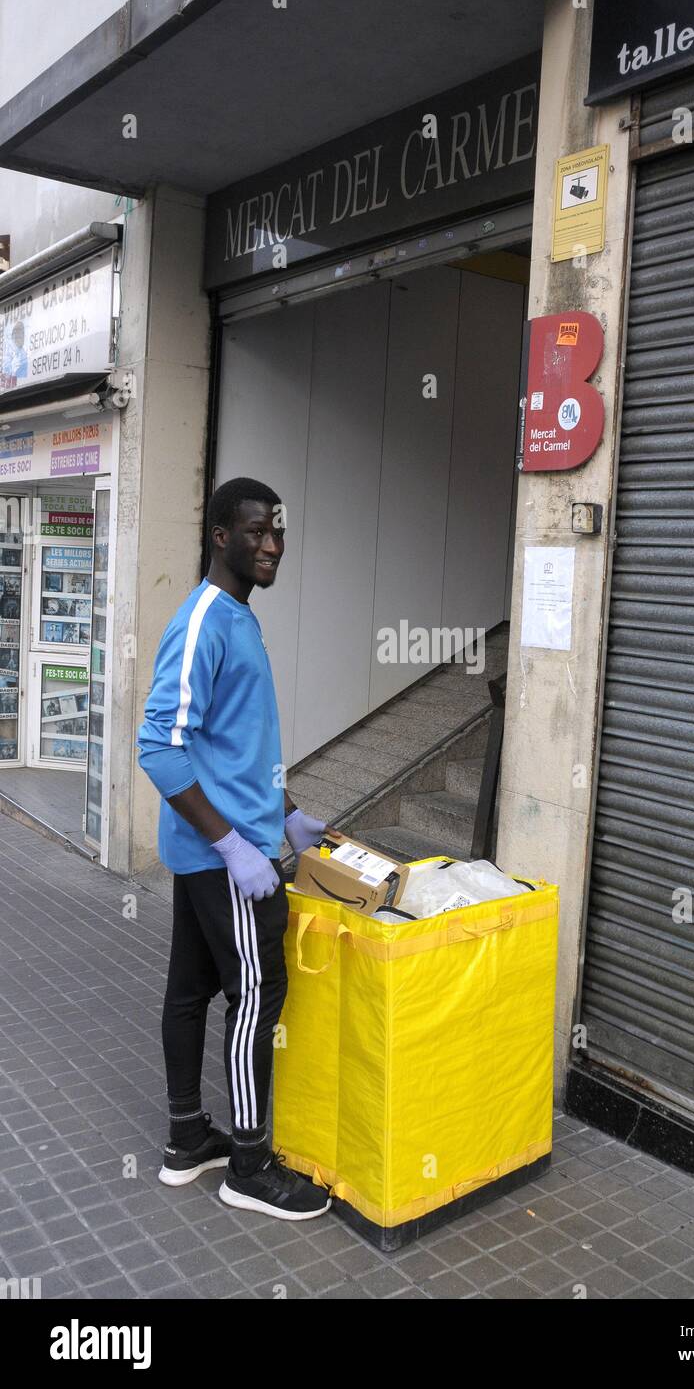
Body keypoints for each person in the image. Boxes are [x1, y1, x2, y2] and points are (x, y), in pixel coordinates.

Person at [137, 477, 332, 1221]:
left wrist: (286, 815)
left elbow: (232, 751)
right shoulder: (204, 622)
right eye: (255, 532)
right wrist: (236, 845)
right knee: (256, 993)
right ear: (221, 536)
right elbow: (159, 748)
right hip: (226, 861)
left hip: (228, 844)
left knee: (189, 989)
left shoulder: (241, 620)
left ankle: (189, 1141)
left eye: (277, 531)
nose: (272, 544)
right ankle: (249, 1166)